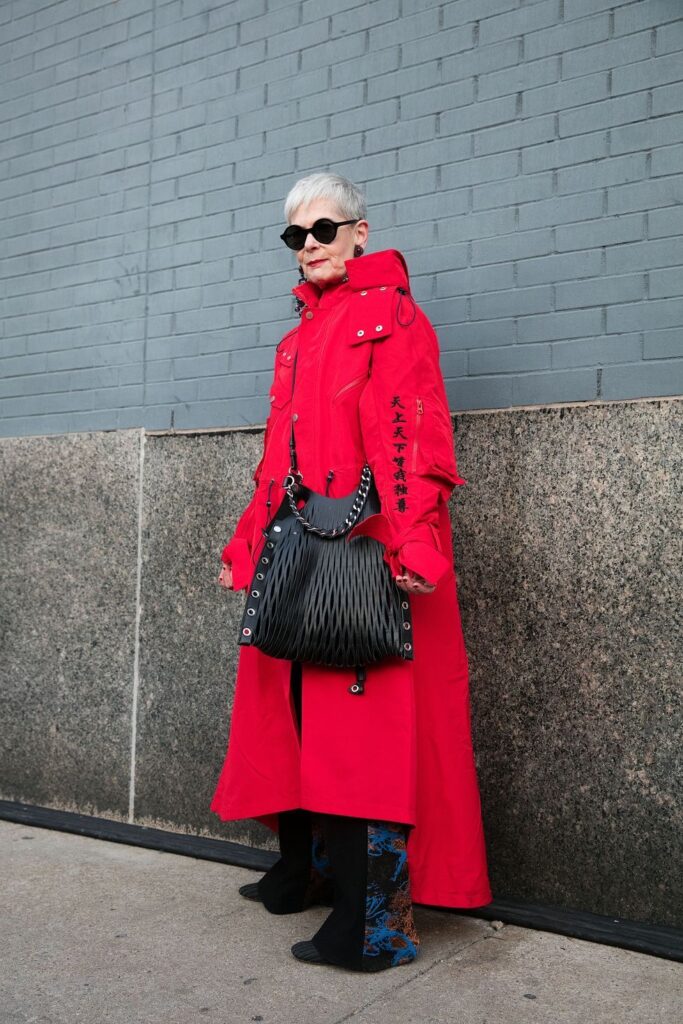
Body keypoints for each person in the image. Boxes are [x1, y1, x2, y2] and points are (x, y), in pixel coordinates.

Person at [213, 172, 492, 972]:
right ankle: (310, 869)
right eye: (294, 235)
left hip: (372, 556)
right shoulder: (300, 335)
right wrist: (245, 544)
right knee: (290, 704)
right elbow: (279, 456)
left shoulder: (389, 317)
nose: (309, 246)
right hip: (303, 547)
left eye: (323, 229)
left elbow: (412, 436)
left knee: (365, 739)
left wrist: (413, 546)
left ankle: (378, 925)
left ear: (360, 231)